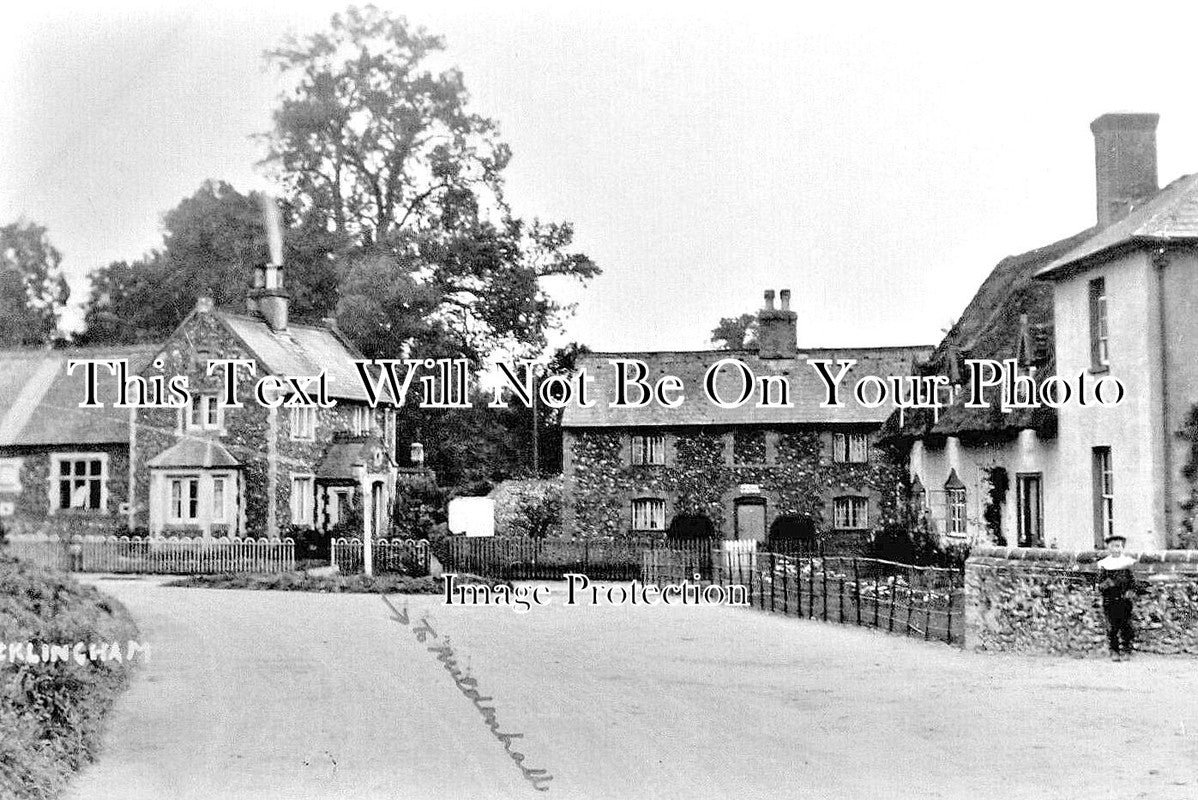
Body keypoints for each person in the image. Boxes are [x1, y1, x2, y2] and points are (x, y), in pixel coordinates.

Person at [1095, 534, 1137, 661]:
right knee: (1112, 627)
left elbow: (1133, 582)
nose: (1116, 549)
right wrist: (1107, 584)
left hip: (1124, 599)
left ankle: (1127, 649)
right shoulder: (1104, 564)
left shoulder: (1127, 563)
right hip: (1110, 599)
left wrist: (1130, 591)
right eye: (1113, 546)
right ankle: (1114, 650)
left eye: (1119, 546)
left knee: (1126, 625)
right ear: (1108, 548)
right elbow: (1099, 584)